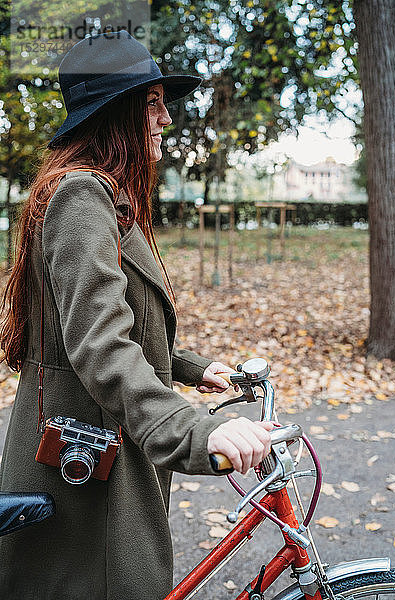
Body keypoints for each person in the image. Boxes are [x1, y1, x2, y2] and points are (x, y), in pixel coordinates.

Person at [0, 31, 273, 599]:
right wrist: (197, 431)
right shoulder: (82, 199)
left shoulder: (99, 197)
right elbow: (100, 347)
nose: (166, 120)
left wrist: (194, 370)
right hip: (84, 478)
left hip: (101, 457)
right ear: (118, 112)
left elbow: (109, 323)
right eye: (153, 103)